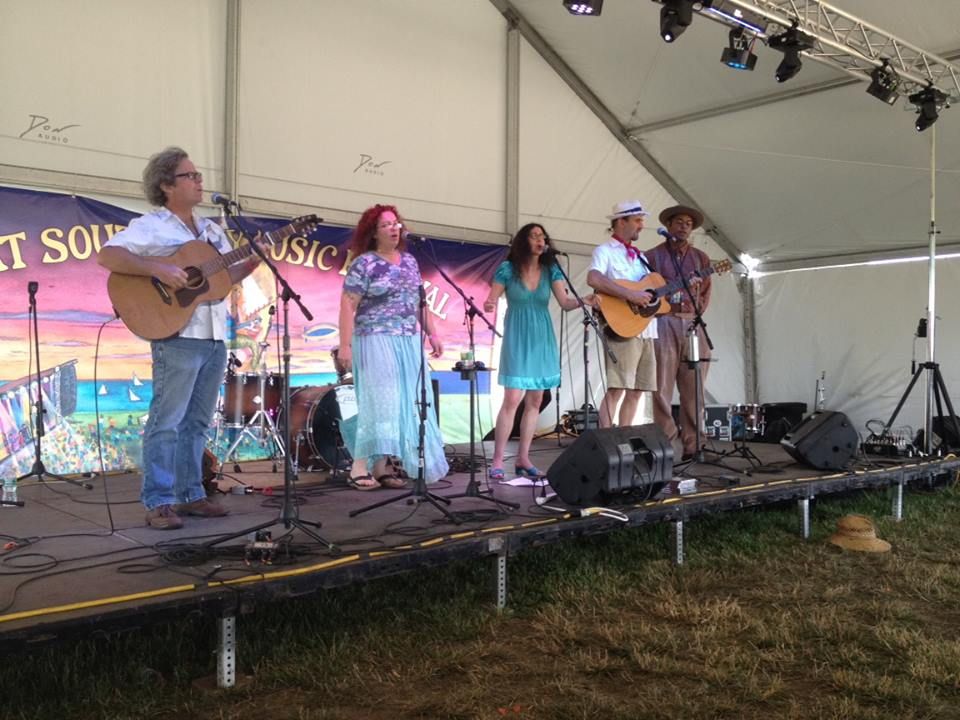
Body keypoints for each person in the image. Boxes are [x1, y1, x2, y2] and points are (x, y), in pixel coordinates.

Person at [97, 146, 263, 529]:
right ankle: (159, 501)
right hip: (177, 335)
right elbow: (108, 256)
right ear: (166, 185)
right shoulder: (152, 226)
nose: (199, 181)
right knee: (166, 421)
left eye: (198, 175)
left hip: (215, 338)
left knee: (197, 422)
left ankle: (191, 494)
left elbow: (221, 280)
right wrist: (157, 268)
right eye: (191, 175)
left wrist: (252, 262)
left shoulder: (211, 231)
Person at [337, 204, 448, 490]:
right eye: (386, 224)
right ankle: (358, 467)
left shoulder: (409, 261)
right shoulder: (364, 263)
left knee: (403, 403)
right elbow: (348, 304)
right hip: (375, 338)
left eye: (396, 223)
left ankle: (381, 467)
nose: (393, 228)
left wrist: (433, 334)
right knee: (380, 402)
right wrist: (344, 346)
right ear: (373, 233)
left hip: (408, 340)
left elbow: (420, 303)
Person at [483, 223, 585, 479]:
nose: (540, 240)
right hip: (518, 338)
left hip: (542, 339)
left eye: (543, 236)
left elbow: (565, 302)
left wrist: (586, 301)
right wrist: (490, 302)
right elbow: (492, 297)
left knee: (536, 400)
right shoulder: (508, 269)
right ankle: (497, 460)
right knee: (511, 400)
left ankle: (523, 458)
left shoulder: (551, 269)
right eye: (534, 236)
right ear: (523, 241)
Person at [646, 204, 713, 461]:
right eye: (679, 222)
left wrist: (694, 313)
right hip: (664, 321)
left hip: (692, 323)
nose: (684, 226)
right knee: (661, 386)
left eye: (688, 223)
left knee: (694, 386)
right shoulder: (652, 256)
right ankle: (666, 443)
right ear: (669, 225)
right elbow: (645, 290)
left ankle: (695, 445)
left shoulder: (700, 258)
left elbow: (705, 293)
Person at [586, 201, 660, 428]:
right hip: (621, 328)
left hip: (646, 329)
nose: (642, 225)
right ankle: (606, 440)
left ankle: (625, 439)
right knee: (617, 388)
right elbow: (594, 278)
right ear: (621, 222)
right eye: (637, 220)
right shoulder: (604, 251)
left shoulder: (641, 257)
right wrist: (630, 294)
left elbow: (648, 293)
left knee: (638, 390)